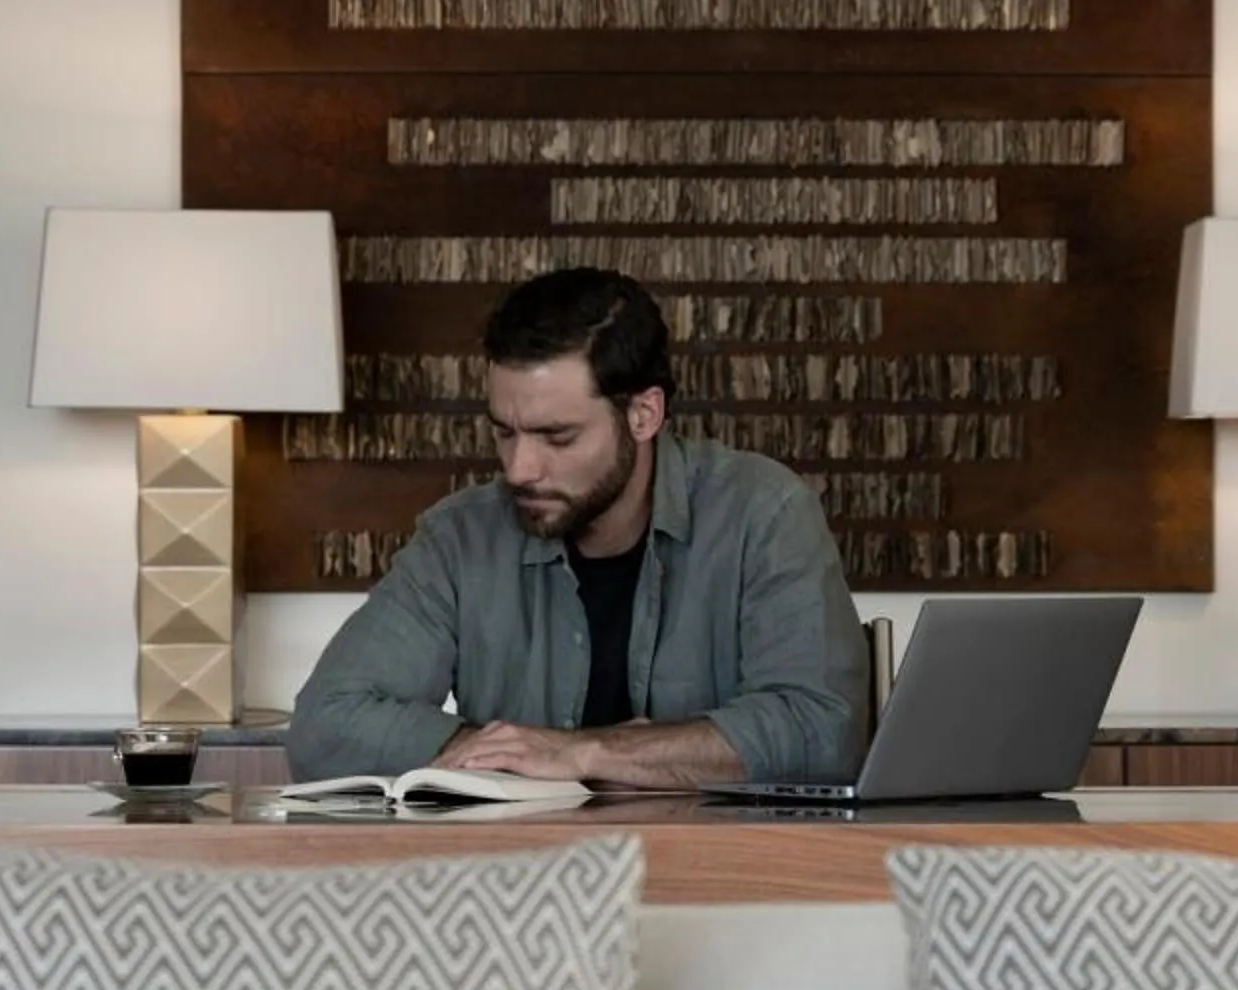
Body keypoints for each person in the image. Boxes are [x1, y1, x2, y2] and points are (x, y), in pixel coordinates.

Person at [287, 268, 869, 787]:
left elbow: (820, 732)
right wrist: (502, 754)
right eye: (505, 432)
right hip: (517, 888)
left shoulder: (764, 512)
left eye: (557, 437)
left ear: (643, 414)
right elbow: (324, 724)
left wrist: (583, 753)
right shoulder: (460, 537)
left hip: (718, 884)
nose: (520, 469)